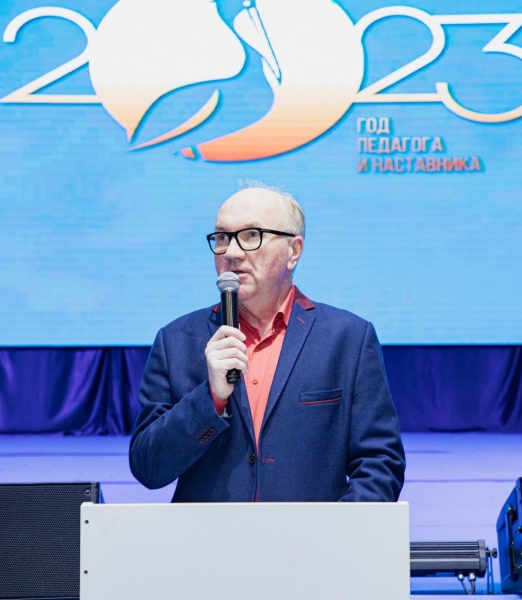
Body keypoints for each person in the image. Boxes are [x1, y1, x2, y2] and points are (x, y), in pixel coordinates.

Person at [129, 182, 405, 502]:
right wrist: (211, 398)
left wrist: (340, 527)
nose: (231, 252)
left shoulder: (347, 339)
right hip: (210, 534)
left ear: (293, 251)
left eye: (251, 235)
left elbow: (380, 462)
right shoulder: (176, 341)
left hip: (311, 533)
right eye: (222, 237)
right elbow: (148, 467)